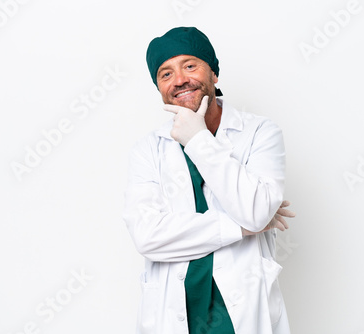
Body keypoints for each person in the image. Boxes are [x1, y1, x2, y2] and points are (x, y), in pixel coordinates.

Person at [123, 26, 294, 334]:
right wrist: (239, 227)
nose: (179, 80)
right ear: (159, 87)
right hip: (173, 310)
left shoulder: (260, 133)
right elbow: (148, 236)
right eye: (165, 74)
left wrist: (199, 138)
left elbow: (256, 211)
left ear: (213, 72)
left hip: (240, 310)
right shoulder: (148, 149)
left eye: (190, 65)